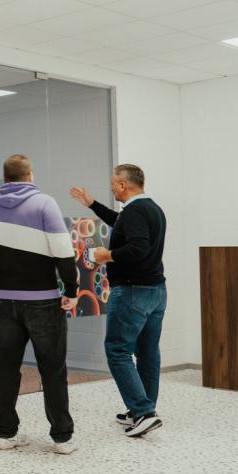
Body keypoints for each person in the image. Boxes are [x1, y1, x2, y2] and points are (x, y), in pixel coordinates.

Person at [0, 154, 79, 455]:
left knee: (6, 369)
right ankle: (62, 438)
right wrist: (71, 289)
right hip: (43, 301)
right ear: (30, 175)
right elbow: (62, 251)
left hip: (4, 301)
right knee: (53, 369)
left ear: (5, 177)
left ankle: (5, 434)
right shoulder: (45, 204)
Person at [70, 164, 166, 439]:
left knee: (117, 350)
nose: (111, 188)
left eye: (114, 184)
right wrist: (92, 204)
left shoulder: (135, 211)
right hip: (155, 291)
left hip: (132, 291)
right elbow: (121, 224)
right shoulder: (151, 208)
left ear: (124, 185)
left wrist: (106, 256)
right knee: (148, 352)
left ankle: (143, 412)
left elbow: (138, 247)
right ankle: (144, 409)